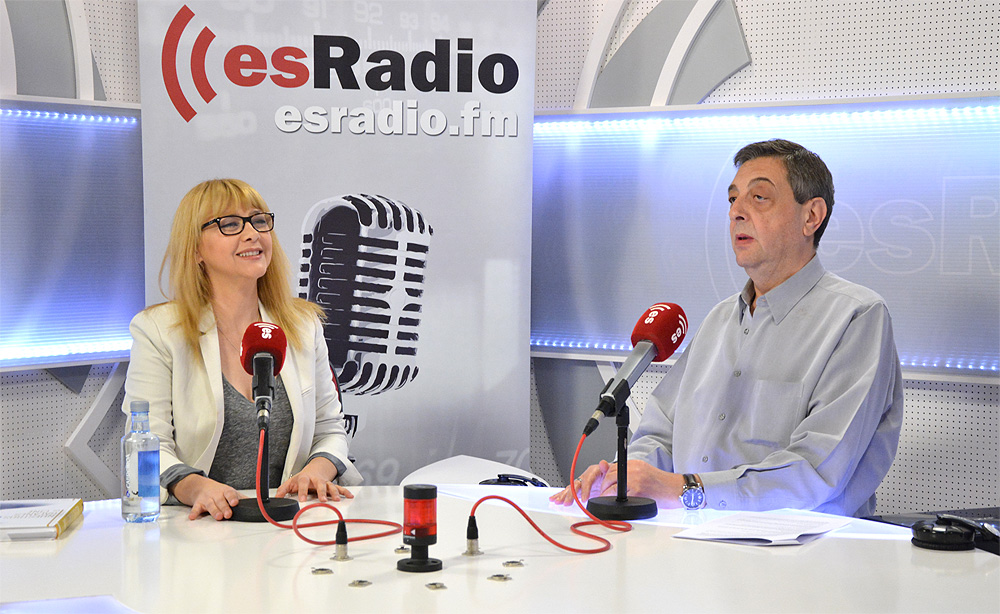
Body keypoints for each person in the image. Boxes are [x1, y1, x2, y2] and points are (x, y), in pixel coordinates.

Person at [551, 139, 903, 517]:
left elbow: (816, 470)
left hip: (802, 548)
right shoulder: (718, 320)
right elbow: (661, 433)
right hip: (689, 539)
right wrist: (623, 477)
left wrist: (685, 489)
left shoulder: (857, 317)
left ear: (811, 217)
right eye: (733, 199)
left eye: (759, 198)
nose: (736, 211)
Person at [122, 179, 362, 521]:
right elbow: (147, 442)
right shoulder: (159, 330)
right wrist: (195, 487)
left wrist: (317, 471)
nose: (252, 234)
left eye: (259, 221)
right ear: (195, 249)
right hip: (199, 527)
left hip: (290, 523)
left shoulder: (302, 324)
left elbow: (330, 429)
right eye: (230, 224)